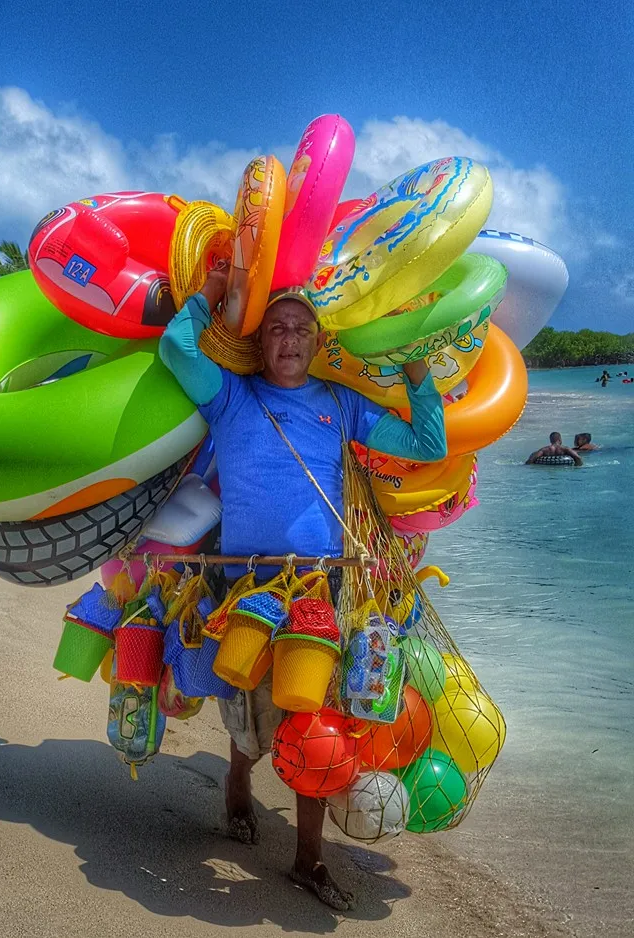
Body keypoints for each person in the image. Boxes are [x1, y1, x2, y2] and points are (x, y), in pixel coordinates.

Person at [159, 267, 446, 912]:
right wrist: (210, 294)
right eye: (277, 329)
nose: (288, 339)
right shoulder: (229, 397)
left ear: (317, 342)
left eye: (300, 330)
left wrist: (417, 367)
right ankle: (238, 783)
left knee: (313, 712)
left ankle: (308, 857)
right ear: (260, 342)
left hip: (323, 585)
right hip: (247, 583)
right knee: (247, 698)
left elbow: (428, 442)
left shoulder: (340, 405)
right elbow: (177, 348)